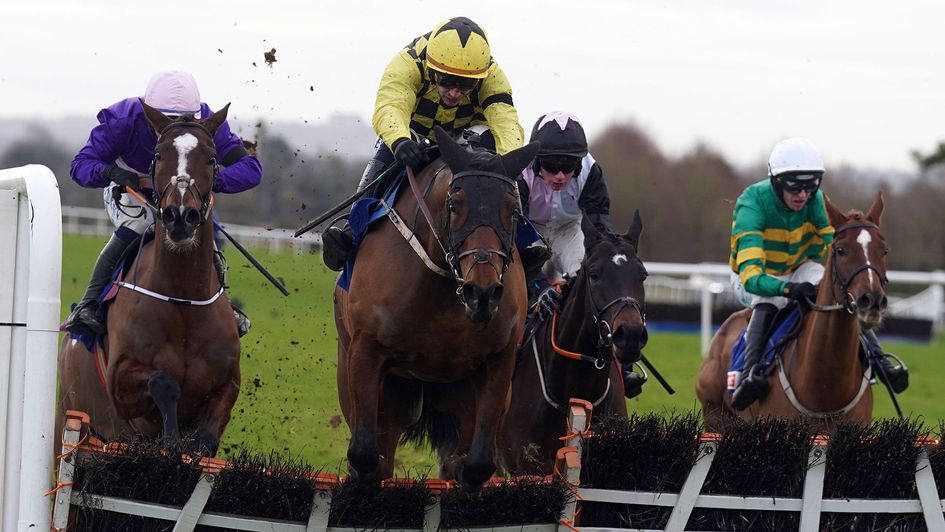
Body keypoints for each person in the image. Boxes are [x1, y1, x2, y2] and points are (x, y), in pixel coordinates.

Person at [61, 71, 263, 338]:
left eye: (184, 121)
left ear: (196, 116)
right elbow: (81, 165)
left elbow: (251, 168)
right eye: (163, 122)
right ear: (149, 114)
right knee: (142, 222)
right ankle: (88, 304)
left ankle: (221, 303)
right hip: (133, 189)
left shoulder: (209, 122)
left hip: (183, 191)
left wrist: (210, 181)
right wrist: (110, 173)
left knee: (203, 227)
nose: (174, 127)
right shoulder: (123, 118)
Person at [321, 16, 526, 271]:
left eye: (466, 85)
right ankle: (352, 232)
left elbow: (506, 122)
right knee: (384, 159)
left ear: (479, 76)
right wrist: (399, 141)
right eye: (446, 81)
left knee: (500, 172)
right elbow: (390, 106)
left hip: (468, 138)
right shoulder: (406, 63)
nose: (454, 93)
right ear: (432, 67)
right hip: (414, 133)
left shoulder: (491, 74)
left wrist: (508, 164)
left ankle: (525, 238)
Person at [729, 137, 908, 411]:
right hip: (755, 275)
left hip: (800, 267)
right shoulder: (751, 203)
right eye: (795, 186)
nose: (803, 195)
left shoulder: (815, 202)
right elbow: (752, 275)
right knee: (770, 302)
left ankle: (879, 359)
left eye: (810, 186)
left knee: (834, 291)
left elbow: (834, 241)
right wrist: (787, 290)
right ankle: (749, 375)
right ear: (776, 182)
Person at [517, 111, 643, 398]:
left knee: (595, 286)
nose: (560, 175)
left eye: (568, 166)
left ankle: (621, 367)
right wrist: (538, 286)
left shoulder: (590, 170)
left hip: (567, 231)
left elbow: (599, 227)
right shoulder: (520, 170)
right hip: (526, 230)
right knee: (519, 291)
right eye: (551, 166)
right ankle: (508, 356)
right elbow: (516, 234)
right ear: (537, 159)